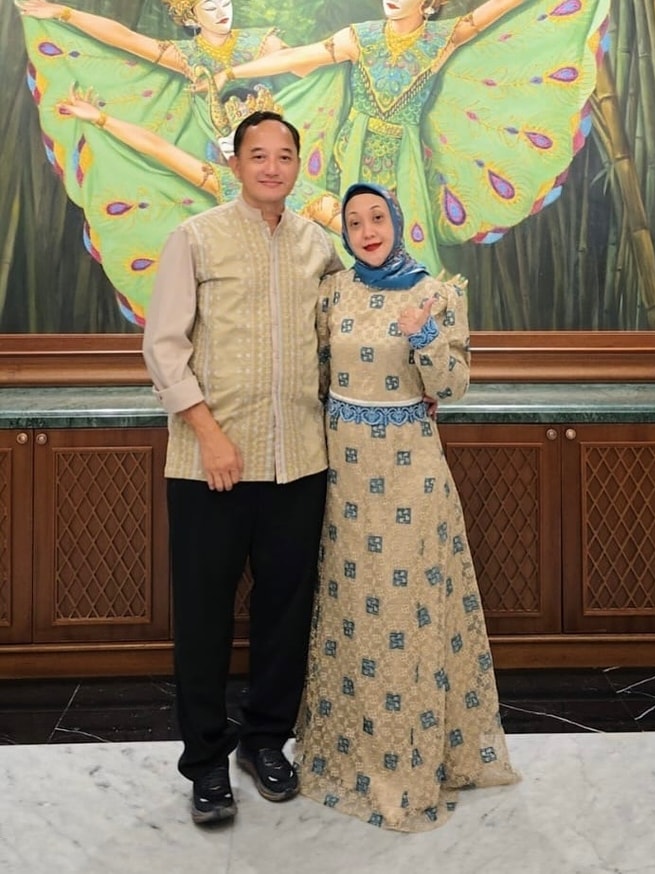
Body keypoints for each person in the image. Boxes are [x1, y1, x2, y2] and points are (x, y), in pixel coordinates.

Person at [293, 181, 519, 832]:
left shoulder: (435, 293)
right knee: (351, 614)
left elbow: (454, 385)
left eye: (377, 218)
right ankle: (349, 757)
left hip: (411, 480)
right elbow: (317, 377)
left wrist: (424, 340)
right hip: (345, 482)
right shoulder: (334, 292)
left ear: (397, 221)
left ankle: (411, 767)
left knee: (406, 614)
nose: (368, 230)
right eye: (355, 221)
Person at [142, 110, 344, 826]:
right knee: (203, 617)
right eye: (258, 155)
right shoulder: (195, 237)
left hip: (300, 461)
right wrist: (209, 433)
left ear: (298, 164)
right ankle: (205, 762)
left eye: (284, 155)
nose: (271, 167)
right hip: (212, 464)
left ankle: (264, 742)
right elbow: (164, 346)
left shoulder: (318, 246)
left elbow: (343, 337)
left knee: (285, 614)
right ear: (236, 164)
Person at [214, 0, 610, 273]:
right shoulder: (361, 37)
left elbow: (495, 10)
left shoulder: (443, 38)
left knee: (401, 242)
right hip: (350, 151)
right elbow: (293, 58)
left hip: (404, 160)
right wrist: (230, 73)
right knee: (343, 233)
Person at [15, 0, 288, 323]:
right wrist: (66, 13)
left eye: (225, 3)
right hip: (210, 157)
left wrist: (232, 73)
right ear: (191, 15)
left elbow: (306, 65)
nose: (221, 12)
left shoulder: (263, 43)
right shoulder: (186, 56)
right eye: (210, 6)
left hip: (269, 157)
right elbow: (125, 39)